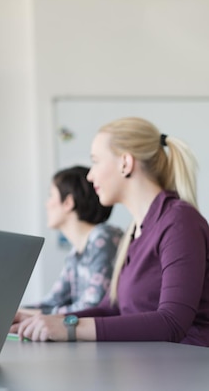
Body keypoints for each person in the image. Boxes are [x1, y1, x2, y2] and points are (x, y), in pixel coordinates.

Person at [13, 117, 209, 346]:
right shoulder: (136, 231)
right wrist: (46, 320)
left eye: (95, 161)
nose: (90, 175)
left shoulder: (178, 221)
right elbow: (111, 308)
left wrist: (70, 328)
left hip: (186, 370)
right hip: (149, 366)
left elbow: (172, 322)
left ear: (125, 163)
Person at [19, 166, 123, 316]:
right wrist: (12, 313)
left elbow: (92, 306)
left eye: (50, 195)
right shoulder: (75, 253)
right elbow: (52, 301)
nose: (46, 204)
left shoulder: (103, 238)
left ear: (68, 202)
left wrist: (34, 316)